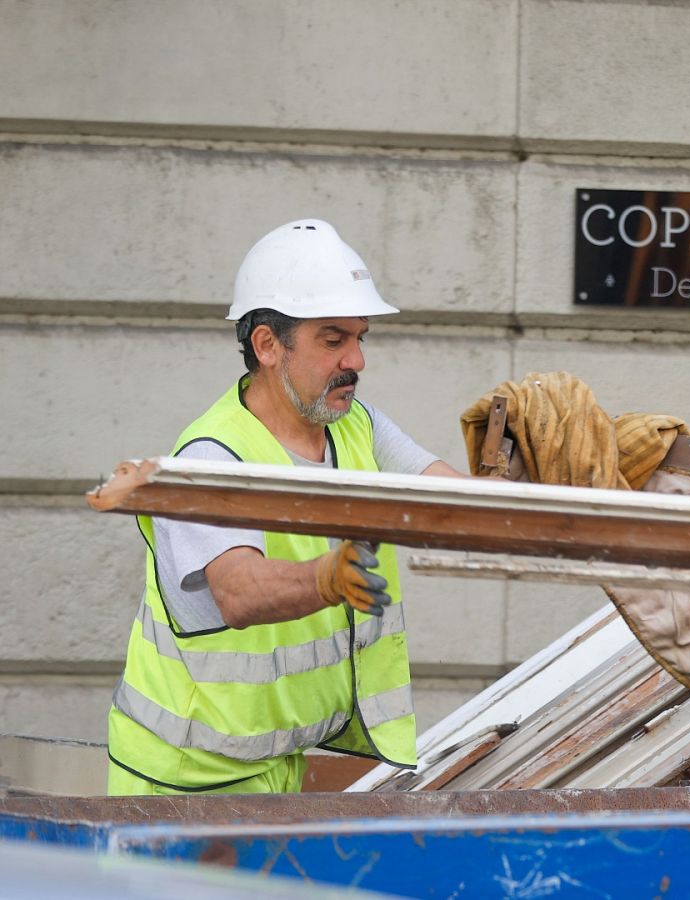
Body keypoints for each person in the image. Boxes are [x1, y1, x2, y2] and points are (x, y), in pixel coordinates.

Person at [106, 219, 465, 795]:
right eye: (332, 340)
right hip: (185, 781)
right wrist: (328, 577)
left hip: (278, 764)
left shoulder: (356, 427)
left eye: (360, 337)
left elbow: (454, 503)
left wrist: (527, 478)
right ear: (267, 345)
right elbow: (238, 590)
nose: (357, 360)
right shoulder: (212, 456)